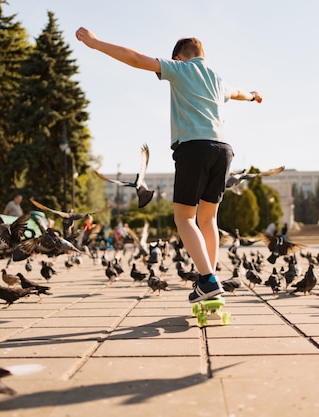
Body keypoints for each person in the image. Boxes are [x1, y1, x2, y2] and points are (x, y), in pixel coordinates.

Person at [76, 28, 262, 303]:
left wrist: (95, 43)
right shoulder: (218, 80)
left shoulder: (180, 69)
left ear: (178, 57)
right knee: (208, 218)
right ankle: (207, 279)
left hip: (194, 147)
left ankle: (208, 280)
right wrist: (254, 94)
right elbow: (238, 92)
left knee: (184, 218)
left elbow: (137, 59)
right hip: (224, 150)